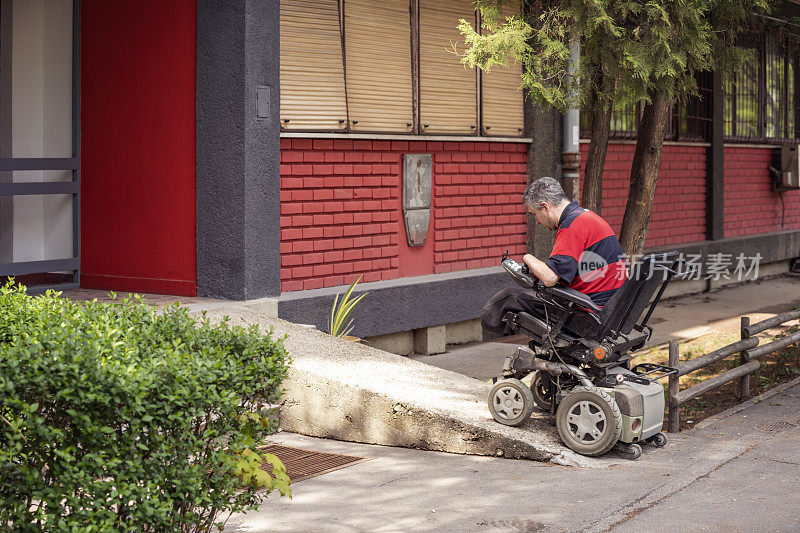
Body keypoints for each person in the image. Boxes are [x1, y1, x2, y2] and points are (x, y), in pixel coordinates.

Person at [481, 177, 627, 334]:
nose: (536, 222)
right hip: (610, 309)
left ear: (545, 207)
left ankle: (510, 334)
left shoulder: (572, 226)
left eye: (534, 214)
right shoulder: (587, 217)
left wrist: (527, 258)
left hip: (589, 315)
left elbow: (550, 278)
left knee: (508, 297)